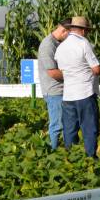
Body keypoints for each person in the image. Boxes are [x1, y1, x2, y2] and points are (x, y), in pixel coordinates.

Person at [54, 16, 100, 158]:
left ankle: (71, 158)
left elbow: (61, 70)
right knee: (89, 129)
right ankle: (90, 158)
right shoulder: (84, 43)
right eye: (87, 31)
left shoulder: (61, 47)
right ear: (83, 30)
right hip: (85, 92)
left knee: (69, 130)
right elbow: (96, 69)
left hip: (68, 95)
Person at [37, 19, 71, 149]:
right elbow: (52, 72)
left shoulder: (58, 43)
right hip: (54, 91)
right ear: (64, 31)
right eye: (69, 34)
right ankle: (53, 151)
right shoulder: (48, 45)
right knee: (57, 125)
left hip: (61, 90)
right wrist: (73, 76)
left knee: (65, 123)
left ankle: (64, 151)